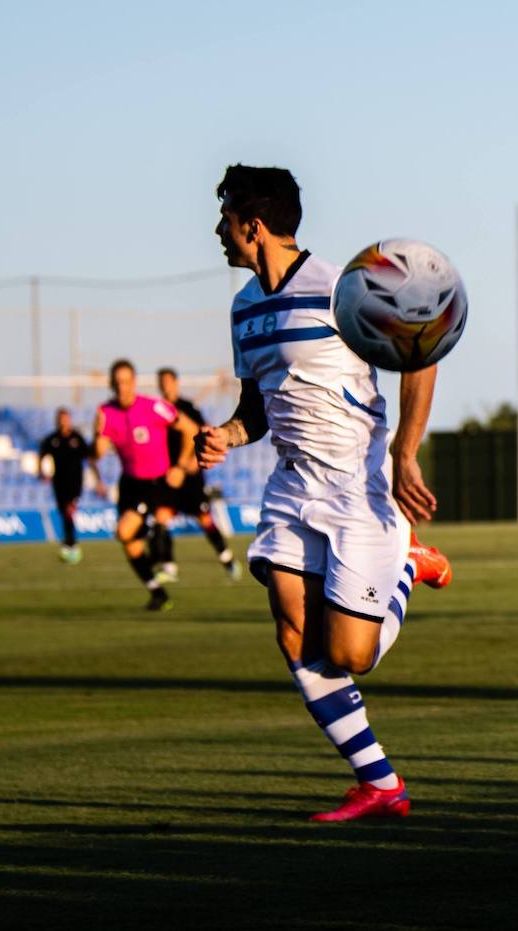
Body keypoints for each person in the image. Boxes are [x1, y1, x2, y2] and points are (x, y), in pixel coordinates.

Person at [198, 164, 452, 822]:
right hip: (290, 487)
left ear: (252, 224)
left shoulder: (343, 287)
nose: (218, 231)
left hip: (354, 489)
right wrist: (226, 433)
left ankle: (405, 562)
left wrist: (405, 451)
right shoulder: (244, 307)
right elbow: (255, 405)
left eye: (224, 217)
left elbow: (419, 352)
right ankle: (381, 784)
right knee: (293, 635)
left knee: (350, 655)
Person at [94, 359, 198, 610]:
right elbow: (97, 454)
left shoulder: (154, 407)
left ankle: (158, 535)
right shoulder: (106, 412)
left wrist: (182, 466)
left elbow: (191, 429)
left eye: (126, 381)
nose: (122, 387)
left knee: (123, 531)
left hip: (154, 484)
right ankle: (158, 593)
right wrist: (98, 433)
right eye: (117, 382)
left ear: (134, 382)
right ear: (111, 384)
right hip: (129, 484)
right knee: (131, 545)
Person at [156, 367, 241, 580]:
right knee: (161, 519)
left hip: (189, 476)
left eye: (168, 382)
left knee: (204, 519)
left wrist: (185, 466)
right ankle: (169, 568)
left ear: (176, 383)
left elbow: (198, 435)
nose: (165, 386)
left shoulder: (188, 408)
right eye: (162, 383)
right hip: (169, 476)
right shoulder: (157, 410)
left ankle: (226, 558)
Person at [38, 407, 100, 564]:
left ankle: (71, 546)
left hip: (75, 483)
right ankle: (69, 544)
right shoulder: (52, 439)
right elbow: (42, 455)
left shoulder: (77, 438)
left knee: (69, 510)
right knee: (64, 512)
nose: (63, 422)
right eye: (61, 419)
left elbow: (90, 459)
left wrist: (98, 480)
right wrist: (42, 472)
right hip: (58, 482)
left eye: (66, 419)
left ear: (70, 420)